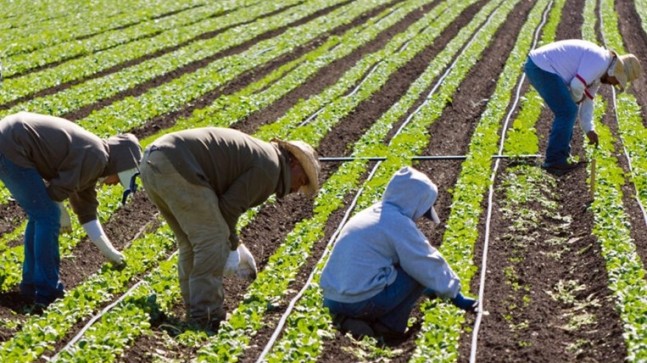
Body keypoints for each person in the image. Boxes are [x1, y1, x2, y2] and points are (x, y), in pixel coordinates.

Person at [139, 127, 321, 331]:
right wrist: (232, 245)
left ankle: (195, 311)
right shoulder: (269, 169)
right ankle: (207, 316)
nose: (297, 188)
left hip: (155, 160)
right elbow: (228, 208)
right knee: (212, 240)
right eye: (302, 180)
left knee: (191, 243)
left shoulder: (267, 159)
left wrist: (235, 243)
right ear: (294, 162)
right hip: (177, 165)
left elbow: (224, 208)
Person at [0, 112, 142, 307]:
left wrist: (111, 254)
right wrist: (60, 213)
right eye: (121, 178)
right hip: (13, 143)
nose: (117, 183)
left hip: (12, 139)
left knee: (41, 216)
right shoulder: (97, 156)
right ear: (120, 166)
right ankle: (48, 292)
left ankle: (31, 285)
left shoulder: (95, 163)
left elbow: (87, 214)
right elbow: (57, 191)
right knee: (47, 217)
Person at [320, 166, 477, 341]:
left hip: (332, 299)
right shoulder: (397, 223)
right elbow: (424, 262)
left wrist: (433, 289)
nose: (419, 218)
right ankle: (386, 328)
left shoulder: (371, 214)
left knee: (404, 266)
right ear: (415, 203)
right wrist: (455, 295)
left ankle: (346, 320)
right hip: (359, 301)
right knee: (416, 273)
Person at [524, 39, 642, 175]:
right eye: (617, 80)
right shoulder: (600, 61)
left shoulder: (599, 73)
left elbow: (588, 100)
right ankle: (555, 160)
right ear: (614, 72)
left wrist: (589, 129)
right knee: (567, 112)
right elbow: (576, 85)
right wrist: (577, 99)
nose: (614, 84)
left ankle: (559, 158)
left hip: (541, 66)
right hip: (541, 67)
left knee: (568, 110)